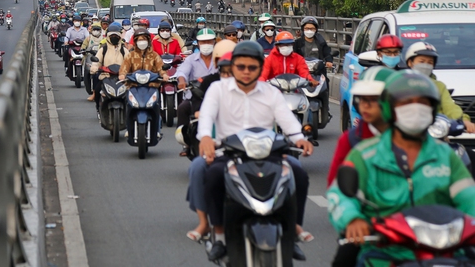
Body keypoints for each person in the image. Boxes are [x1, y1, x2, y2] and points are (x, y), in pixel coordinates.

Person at [327, 71, 475, 267]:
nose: (415, 109)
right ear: (390, 108)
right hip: (384, 249)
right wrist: (353, 219)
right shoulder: (364, 155)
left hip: (443, 249)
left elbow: (468, 198)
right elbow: (340, 195)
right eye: (406, 103)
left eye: (423, 103)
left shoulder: (446, 156)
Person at [198, 41, 314, 262]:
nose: (246, 72)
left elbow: (287, 121)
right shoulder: (217, 89)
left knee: (298, 173)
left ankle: (293, 231)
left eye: (252, 67)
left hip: (269, 153)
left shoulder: (271, 92)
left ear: (261, 67)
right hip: (231, 154)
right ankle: (220, 236)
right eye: (240, 67)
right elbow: (206, 116)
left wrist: (300, 139)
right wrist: (205, 137)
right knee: (212, 176)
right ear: (232, 67)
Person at [327, 66, 396, 267]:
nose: (365, 106)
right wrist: (352, 219)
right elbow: (335, 186)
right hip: (369, 222)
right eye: (361, 99)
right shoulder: (352, 140)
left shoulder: (419, 140)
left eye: (373, 99)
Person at [404, 41, 475, 134]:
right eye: (421, 61)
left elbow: (450, 107)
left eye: (430, 62)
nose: (426, 65)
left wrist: (463, 120)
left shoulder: (439, 86)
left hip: (436, 132)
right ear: (410, 62)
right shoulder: (400, 84)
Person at [119, 28, 169, 138]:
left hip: (151, 86)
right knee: (128, 105)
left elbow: (161, 68)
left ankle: (156, 128)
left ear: (148, 41)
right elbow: (124, 68)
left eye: (144, 39)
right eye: (139, 39)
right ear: (135, 41)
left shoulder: (154, 55)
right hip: (134, 86)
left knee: (156, 106)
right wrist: (122, 75)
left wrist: (164, 75)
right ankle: (128, 127)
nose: (142, 42)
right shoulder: (130, 55)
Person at [294, 16, 334, 124]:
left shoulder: (320, 42)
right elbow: (292, 56)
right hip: (302, 73)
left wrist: (329, 61)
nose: (309, 31)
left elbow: (327, 54)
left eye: (312, 28)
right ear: (303, 29)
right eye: (307, 28)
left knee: (325, 84)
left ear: (316, 29)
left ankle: (326, 109)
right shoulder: (297, 43)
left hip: (318, 72)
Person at [176, 29, 218, 131]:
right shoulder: (191, 59)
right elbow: (182, 72)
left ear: (214, 42)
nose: (206, 44)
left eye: (209, 41)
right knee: (182, 108)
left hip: (217, 97)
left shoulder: (220, 59)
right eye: (203, 42)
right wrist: (182, 80)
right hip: (194, 97)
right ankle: (185, 139)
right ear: (198, 44)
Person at [91, 23, 128, 114]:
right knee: (98, 88)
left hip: (121, 77)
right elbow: (97, 60)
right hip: (106, 76)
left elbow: (129, 62)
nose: (114, 37)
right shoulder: (103, 49)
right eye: (112, 35)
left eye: (116, 35)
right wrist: (95, 67)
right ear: (108, 36)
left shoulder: (124, 50)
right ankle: (98, 107)